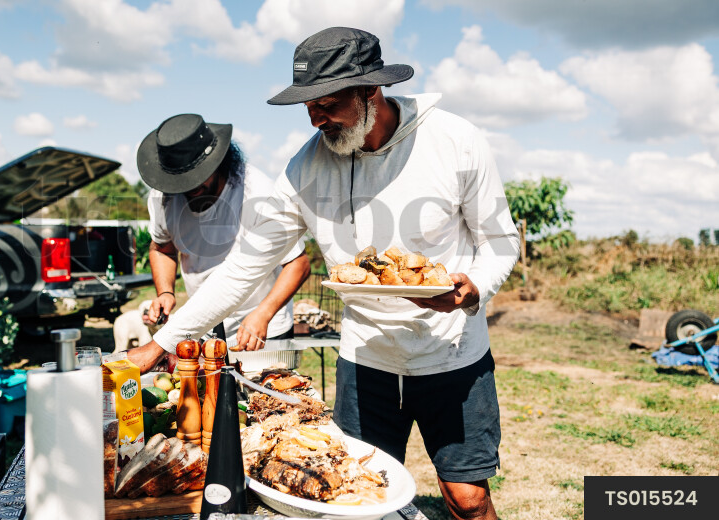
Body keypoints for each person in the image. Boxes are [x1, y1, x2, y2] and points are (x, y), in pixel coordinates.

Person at [128, 27, 519, 520]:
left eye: (328, 103)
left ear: (371, 90)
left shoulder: (455, 142)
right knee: (354, 501)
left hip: (451, 352)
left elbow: (501, 241)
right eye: (308, 107)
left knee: (467, 498)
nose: (316, 119)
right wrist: (162, 343)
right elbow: (242, 270)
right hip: (365, 359)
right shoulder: (304, 171)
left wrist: (472, 288)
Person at [135, 113, 311, 351]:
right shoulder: (162, 198)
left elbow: (298, 264)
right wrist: (166, 291)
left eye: (196, 178)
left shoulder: (257, 191)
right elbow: (162, 248)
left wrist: (264, 313)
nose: (190, 188)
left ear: (218, 162)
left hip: (261, 329)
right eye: (181, 182)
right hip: (202, 330)